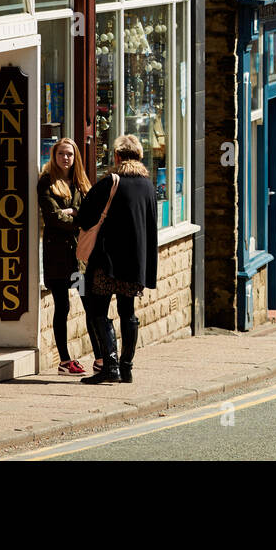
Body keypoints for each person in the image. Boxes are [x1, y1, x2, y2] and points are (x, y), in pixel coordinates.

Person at [77, 134, 159, 385]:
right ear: (139, 156)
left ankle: (109, 365)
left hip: (106, 263)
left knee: (98, 310)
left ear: (116, 156)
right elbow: (152, 227)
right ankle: (127, 368)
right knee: (128, 312)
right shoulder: (147, 186)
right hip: (135, 264)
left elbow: (84, 217)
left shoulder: (110, 182)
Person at [37, 137, 100, 376]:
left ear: (75, 158)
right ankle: (64, 361)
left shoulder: (81, 182)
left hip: (80, 256)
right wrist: (76, 217)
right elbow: (53, 217)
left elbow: (91, 214)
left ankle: (101, 358)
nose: (66, 158)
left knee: (90, 305)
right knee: (62, 306)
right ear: (54, 156)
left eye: (70, 154)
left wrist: (74, 213)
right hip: (57, 256)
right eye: (62, 153)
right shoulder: (46, 182)